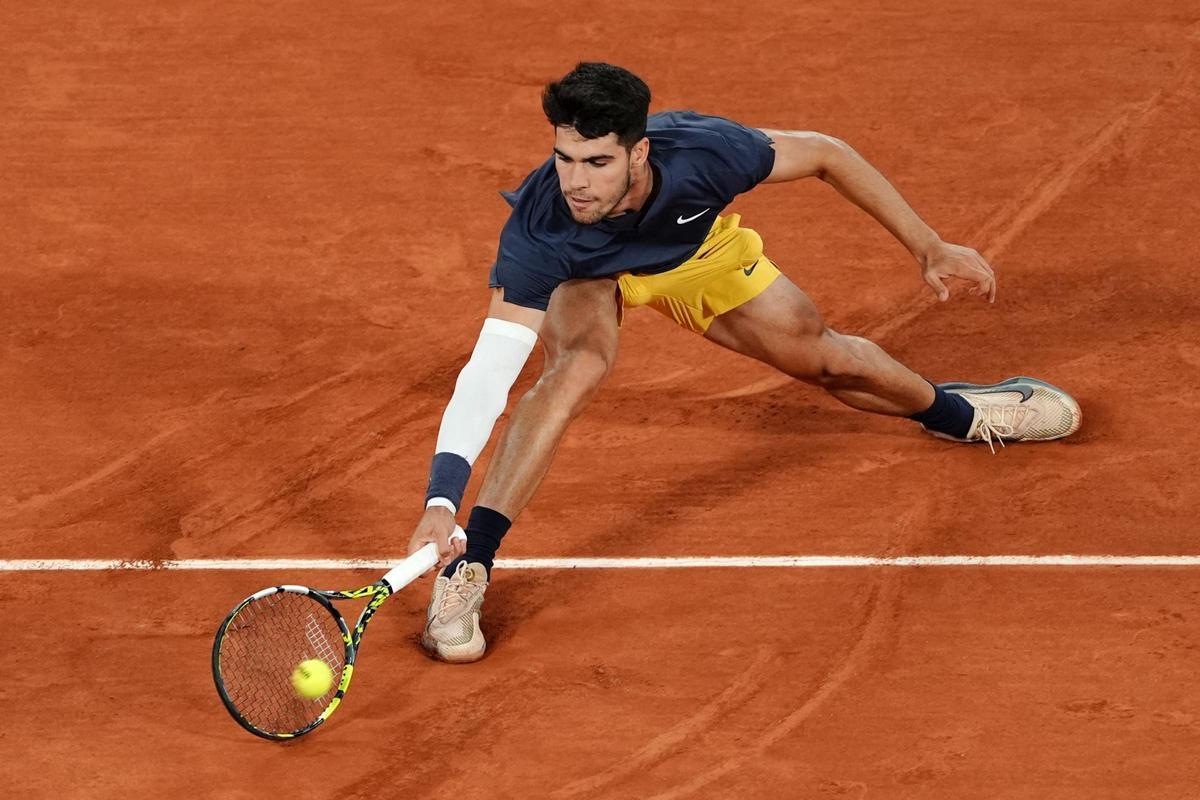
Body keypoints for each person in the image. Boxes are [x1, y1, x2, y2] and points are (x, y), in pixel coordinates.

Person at [406, 62, 1081, 663]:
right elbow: (488, 373)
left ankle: (958, 413)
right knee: (574, 368)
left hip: (691, 253)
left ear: (639, 153)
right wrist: (442, 495)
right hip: (587, 276)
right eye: (565, 159)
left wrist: (927, 244)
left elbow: (827, 154)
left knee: (827, 359)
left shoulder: (707, 152)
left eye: (597, 163)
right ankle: (471, 569)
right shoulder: (542, 228)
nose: (575, 183)